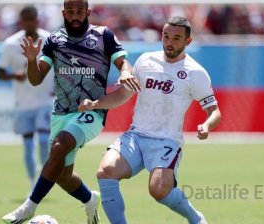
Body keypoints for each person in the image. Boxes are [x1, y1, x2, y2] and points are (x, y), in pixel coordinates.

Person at [2, 1, 140, 223]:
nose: (75, 16)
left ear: (87, 12)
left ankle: (30, 206)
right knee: (62, 176)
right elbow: (36, 79)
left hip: (92, 110)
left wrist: (125, 72)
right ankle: (89, 200)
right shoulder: (54, 39)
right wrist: (30, 60)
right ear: (64, 13)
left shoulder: (103, 35)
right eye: (71, 12)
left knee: (60, 145)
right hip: (61, 112)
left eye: (79, 12)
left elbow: (124, 62)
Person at [78, 16, 221, 224]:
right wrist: (95, 104)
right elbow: (123, 95)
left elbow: (214, 111)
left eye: (176, 38)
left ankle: (195, 218)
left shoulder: (195, 73)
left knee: (158, 190)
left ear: (187, 42)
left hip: (166, 141)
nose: (169, 42)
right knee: (105, 171)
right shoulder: (146, 60)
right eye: (166, 36)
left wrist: (207, 125)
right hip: (136, 136)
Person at [0, 6, 54, 191]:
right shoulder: (11, 44)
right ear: (21, 22)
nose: (30, 22)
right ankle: (32, 182)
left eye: (33, 18)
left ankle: (44, 180)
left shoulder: (49, 40)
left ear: (38, 20)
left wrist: (57, 86)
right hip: (23, 102)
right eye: (26, 19)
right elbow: (0, 72)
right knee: (28, 144)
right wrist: (15, 75)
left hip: (45, 100)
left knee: (45, 141)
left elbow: (60, 66)